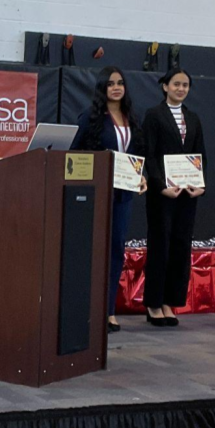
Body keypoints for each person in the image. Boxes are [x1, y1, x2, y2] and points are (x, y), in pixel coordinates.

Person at [134, 68, 207, 327]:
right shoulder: (154, 115)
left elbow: (200, 155)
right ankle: (154, 304)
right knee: (160, 245)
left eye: (185, 85)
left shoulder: (194, 118)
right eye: (176, 84)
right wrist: (158, 184)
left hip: (188, 193)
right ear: (165, 86)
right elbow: (149, 154)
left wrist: (200, 184)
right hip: (162, 194)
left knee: (180, 246)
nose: (181, 89)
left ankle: (170, 302)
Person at [70, 66, 138, 333]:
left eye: (120, 83)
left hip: (124, 195)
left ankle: (109, 310)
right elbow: (75, 154)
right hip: (97, 195)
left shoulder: (132, 117)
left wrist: (140, 176)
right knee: (94, 251)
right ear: (102, 88)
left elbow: (138, 154)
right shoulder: (90, 117)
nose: (117, 87)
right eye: (110, 84)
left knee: (116, 250)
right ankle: (90, 309)